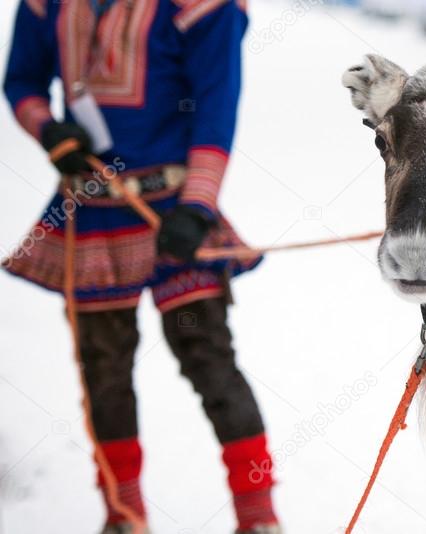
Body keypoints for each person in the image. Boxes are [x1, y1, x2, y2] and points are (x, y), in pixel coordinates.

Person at [3, 0, 279, 532]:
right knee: (103, 369)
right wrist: (48, 130)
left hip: (175, 213)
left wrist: (198, 206)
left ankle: (258, 514)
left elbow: (215, 103)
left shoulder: (204, 7)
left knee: (209, 359)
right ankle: (124, 515)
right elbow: (22, 81)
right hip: (90, 212)